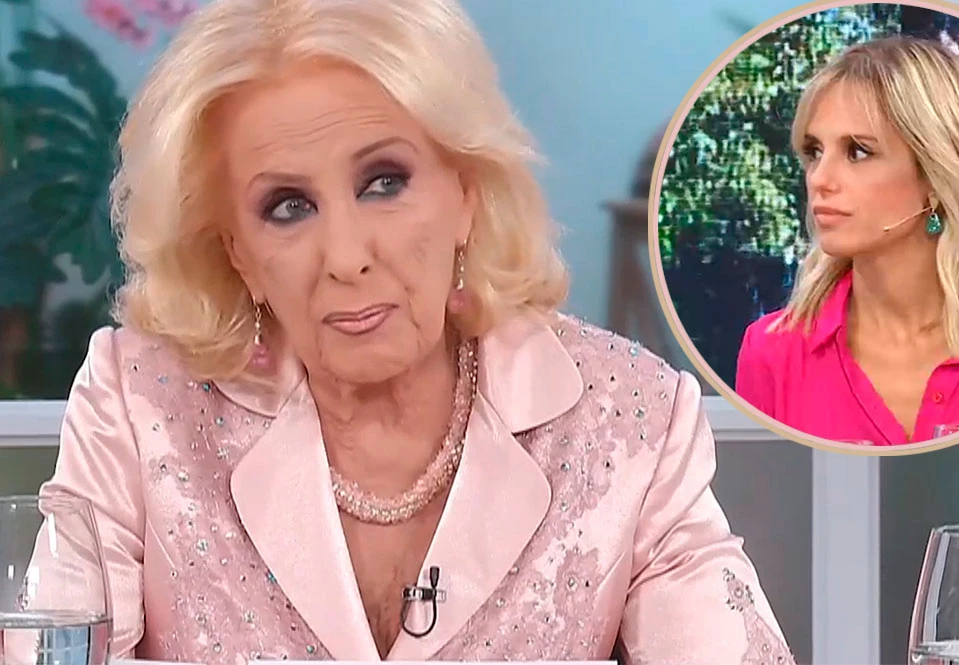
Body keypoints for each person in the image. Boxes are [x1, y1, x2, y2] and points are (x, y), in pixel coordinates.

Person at [27, 1, 794, 663]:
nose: (347, 257)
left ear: (466, 193)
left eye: (384, 183)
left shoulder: (628, 417)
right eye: (288, 207)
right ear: (237, 253)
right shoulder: (140, 402)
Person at [735, 35, 959, 446]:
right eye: (814, 152)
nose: (819, 179)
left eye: (858, 152)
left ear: (937, 175)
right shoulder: (772, 352)